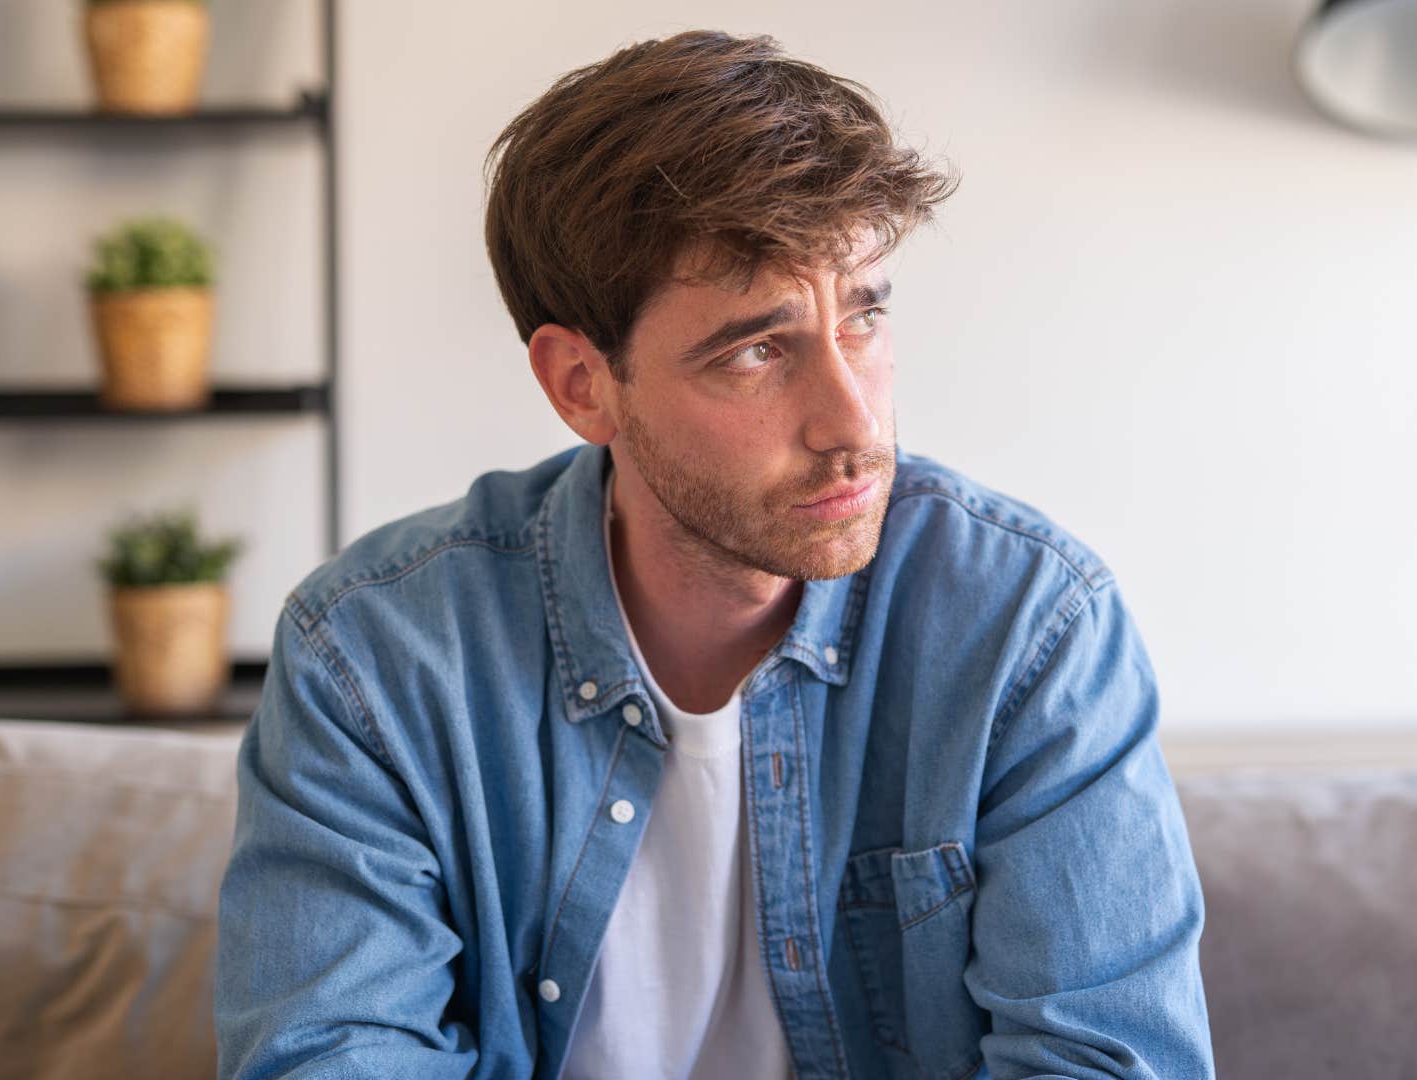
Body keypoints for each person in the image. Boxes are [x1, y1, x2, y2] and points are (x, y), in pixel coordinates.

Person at [215, 28, 1214, 1080]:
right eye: (756, 350)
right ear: (580, 384)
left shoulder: (1027, 629)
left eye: (864, 319)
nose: (851, 421)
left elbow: (1105, 1065)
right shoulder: (378, 658)